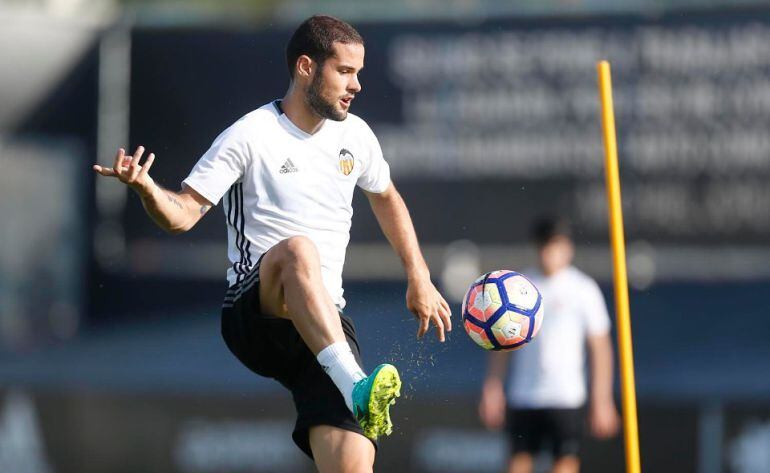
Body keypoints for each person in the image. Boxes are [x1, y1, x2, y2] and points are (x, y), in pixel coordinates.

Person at [93, 15, 452, 472]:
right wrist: (147, 189)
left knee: (354, 466)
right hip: (256, 313)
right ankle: (355, 385)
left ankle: (350, 385)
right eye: (344, 71)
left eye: (359, 73)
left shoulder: (356, 136)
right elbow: (182, 215)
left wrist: (418, 276)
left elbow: (387, 197)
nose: (357, 85)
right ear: (306, 67)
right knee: (299, 250)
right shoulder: (250, 135)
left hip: (323, 324)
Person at [478, 217, 619, 473]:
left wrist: (602, 398)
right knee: (518, 462)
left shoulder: (583, 289)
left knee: (564, 464)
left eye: (556, 245)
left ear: (568, 248)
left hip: (566, 396)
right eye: (545, 246)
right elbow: (502, 342)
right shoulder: (520, 288)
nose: (550, 253)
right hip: (525, 394)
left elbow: (600, 347)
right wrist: (493, 386)